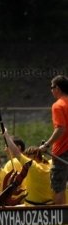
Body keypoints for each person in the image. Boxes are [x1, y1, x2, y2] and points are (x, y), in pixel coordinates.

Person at [39, 75, 68, 204]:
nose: (51, 90)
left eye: (52, 87)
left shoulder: (58, 105)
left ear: (58, 88)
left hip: (62, 152)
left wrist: (46, 145)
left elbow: (61, 129)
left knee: (58, 187)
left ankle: (61, 223)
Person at [4, 130, 53, 205]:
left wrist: (6, 135)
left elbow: (16, 153)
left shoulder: (32, 166)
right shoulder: (50, 165)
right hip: (49, 204)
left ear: (33, 157)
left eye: (28, 157)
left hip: (32, 206)